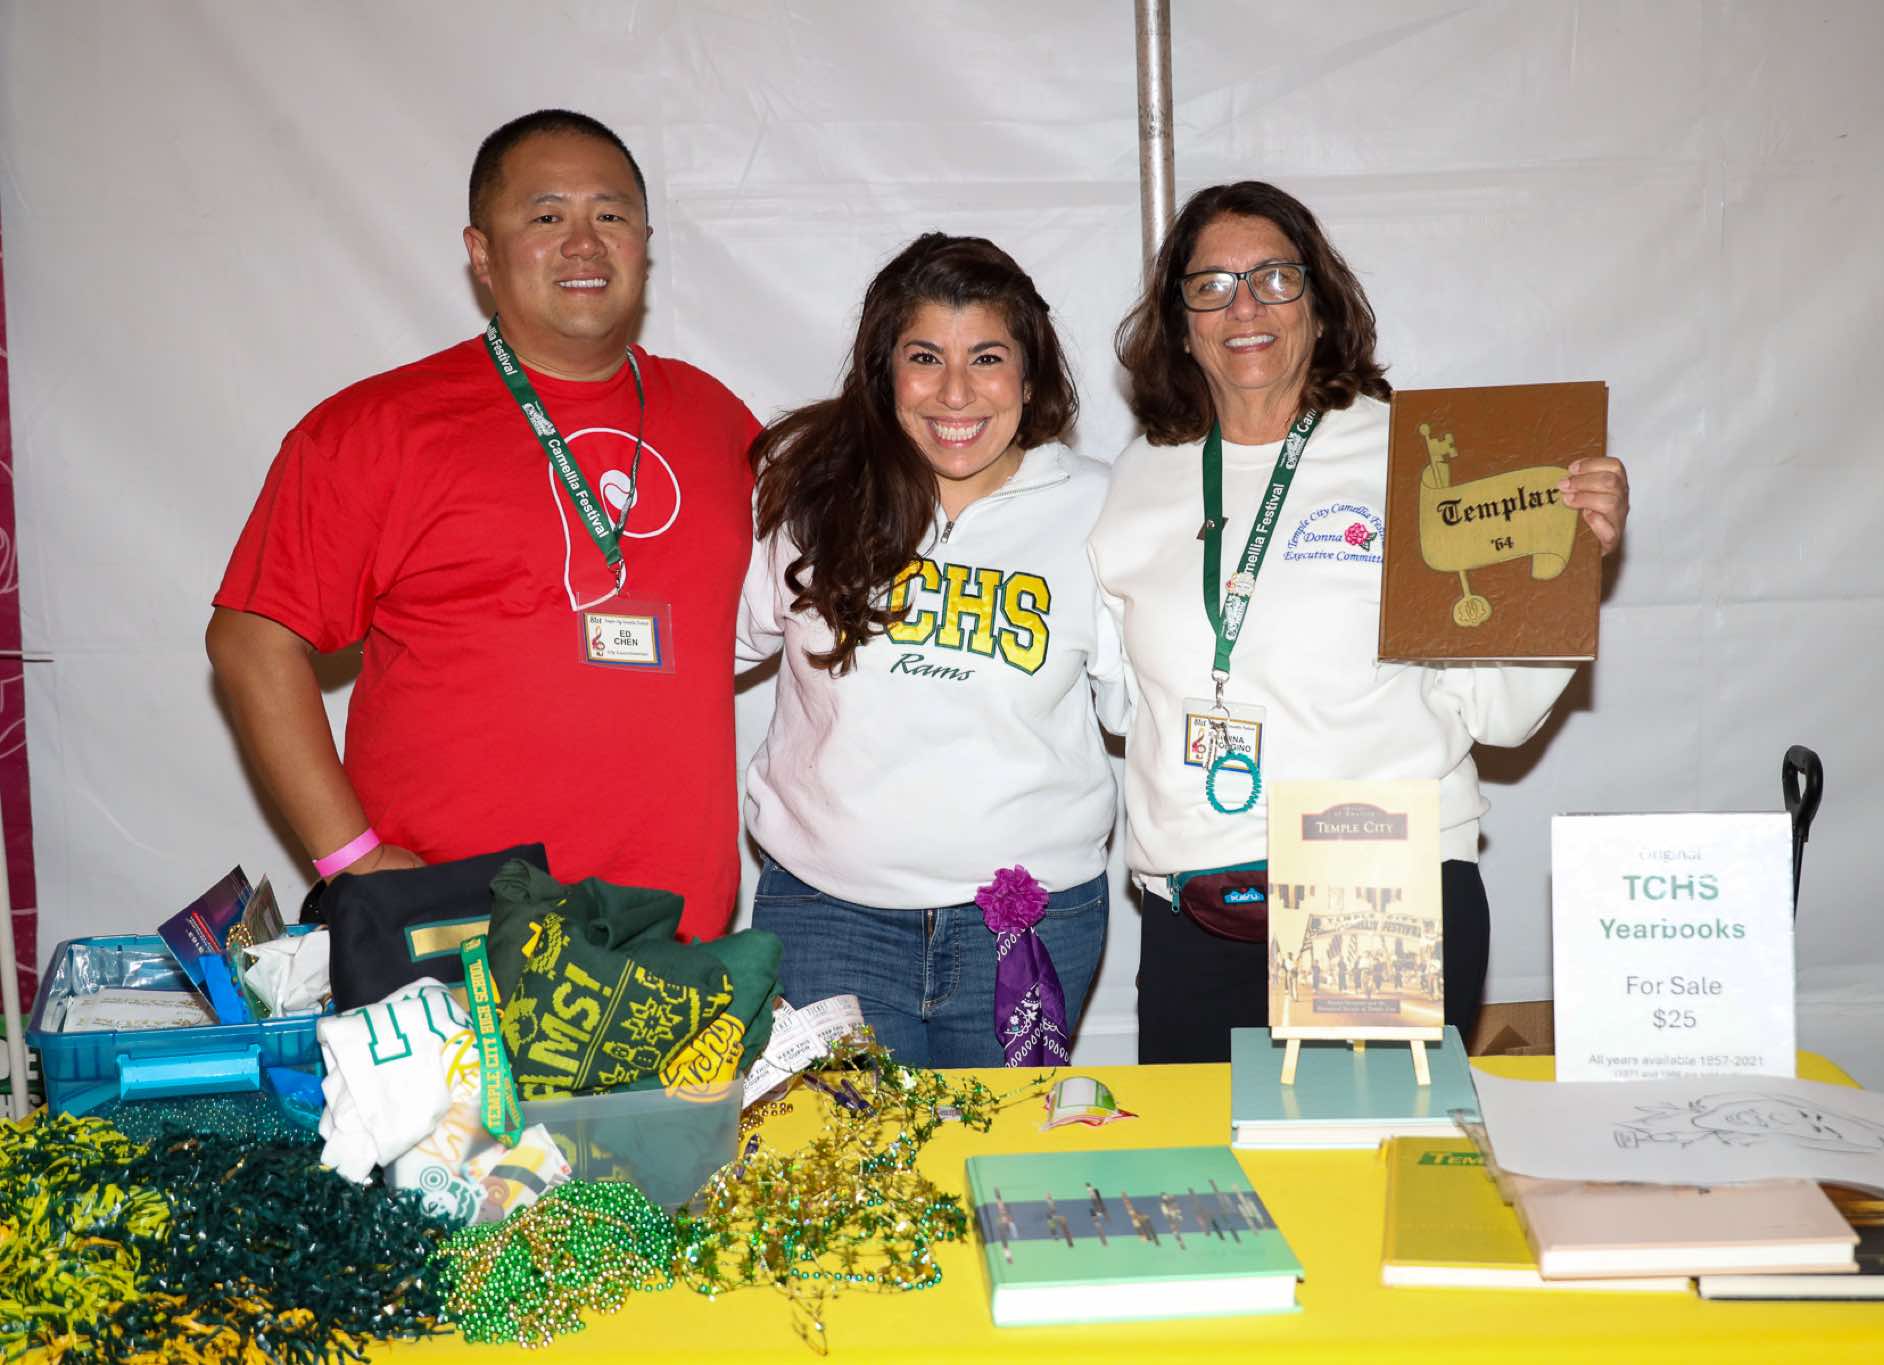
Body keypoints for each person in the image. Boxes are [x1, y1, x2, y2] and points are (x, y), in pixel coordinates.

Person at [1090, 181, 1630, 1063]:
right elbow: (1123, 702)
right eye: (1212, 285)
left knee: (1359, 1145)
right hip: (1193, 909)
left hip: (1376, 891)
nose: (1245, 307)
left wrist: (1570, 561)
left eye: (1275, 277)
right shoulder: (1138, 477)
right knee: (1208, 1157)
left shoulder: (1412, 454)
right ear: (1181, 323)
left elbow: (1498, 713)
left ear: (1320, 302)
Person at [207, 110, 757, 942]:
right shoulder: (379, 429)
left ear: (644, 244)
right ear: (482, 253)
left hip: (675, 945)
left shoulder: (719, 422)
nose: (584, 243)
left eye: (610, 215)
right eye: (547, 216)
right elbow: (251, 641)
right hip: (455, 940)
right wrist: (353, 859)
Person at [737, 233, 1125, 1065]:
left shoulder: (1101, 507)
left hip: (1029, 922)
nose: (955, 391)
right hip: (828, 919)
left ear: (1030, 375)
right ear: (884, 371)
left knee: (1006, 1145)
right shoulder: (812, 495)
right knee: (849, 1150)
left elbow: (1145, 704)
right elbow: (709, 652)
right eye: (924, 357)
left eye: (987, 357)